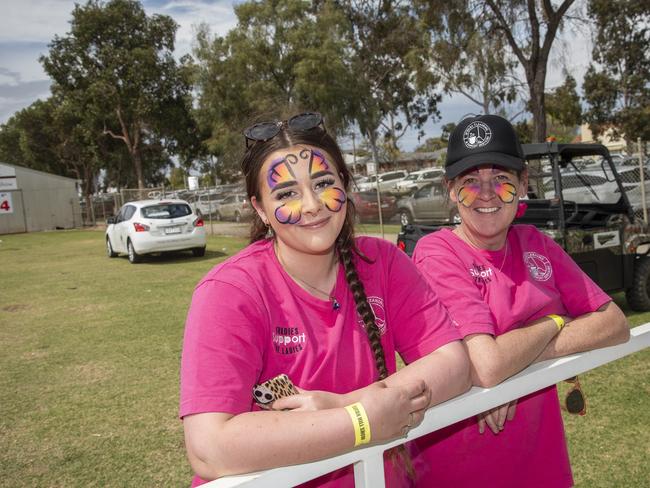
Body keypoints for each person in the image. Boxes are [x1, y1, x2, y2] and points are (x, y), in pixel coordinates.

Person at [179, 111, 471, 487]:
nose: (312, 205)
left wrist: (348, 401)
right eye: (286, 193)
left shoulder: (381, 262)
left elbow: (453, 363)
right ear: (259, 209)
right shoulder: (230, 292)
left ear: (345, 185)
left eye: (322, 183)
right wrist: (361, 422)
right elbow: (208, 446)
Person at [410, 114, 630, 487]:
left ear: (523, 183)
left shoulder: (537, 244)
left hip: (542, 465)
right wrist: (555, 320)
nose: (486, 194)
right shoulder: (437, 252)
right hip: (464, 470)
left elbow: (615, 323)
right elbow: (489, 365)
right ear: (450, 190)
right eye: (469, 182)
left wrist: (520, 358)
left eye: (501, 179)